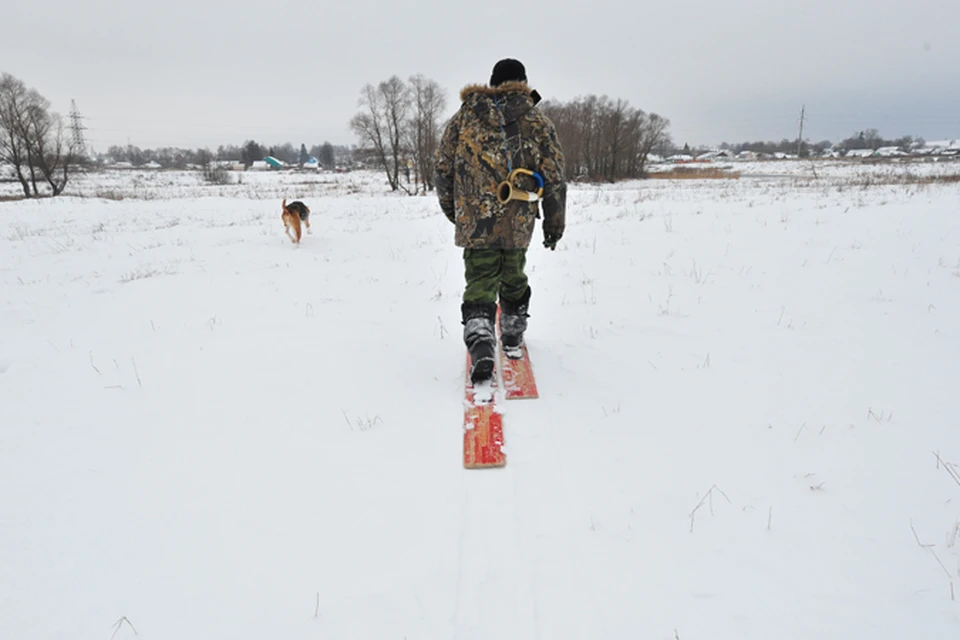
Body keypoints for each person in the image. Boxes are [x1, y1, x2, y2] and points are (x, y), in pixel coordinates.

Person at [435, 58, 566, 384]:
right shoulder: (537, 122)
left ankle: (480, 339)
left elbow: (442, 168)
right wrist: (553, 224)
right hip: (518, 218)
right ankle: (511, 332)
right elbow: (554, 177)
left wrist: (457, 213)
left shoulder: (464, 117)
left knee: (479, 280)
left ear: (493, 84)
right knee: (513, 272)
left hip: (475, 220)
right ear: (522, 82)